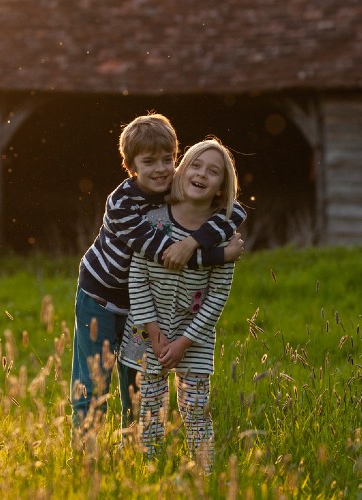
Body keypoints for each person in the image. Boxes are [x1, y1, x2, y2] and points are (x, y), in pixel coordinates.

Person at [71, 114, 246, 440]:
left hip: (141, 305)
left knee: (136, 385)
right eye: (149, 162)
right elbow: (163, 252)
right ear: (130, 165)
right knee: (93, 382)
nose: (161, 169)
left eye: (168, 159)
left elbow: (232, 210)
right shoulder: (121, 203)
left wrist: (195, 239)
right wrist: (217, 255)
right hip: (101, 297)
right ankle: (85, 458)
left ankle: (135, 454)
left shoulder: (174, 188)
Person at [118, 138, 241, 474]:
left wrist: (185, 340)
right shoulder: (153, 220)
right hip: (149, 334)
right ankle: (150, 472)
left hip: (194, 339)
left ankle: (204, 476)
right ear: (182, 170)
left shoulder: (222, 236)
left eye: (213, 172)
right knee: (149, 408)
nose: (202, 174)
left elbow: (218, 295)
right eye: (196, 165)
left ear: (220, 187)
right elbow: (138, 278)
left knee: (195, 411)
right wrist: (154, 333)